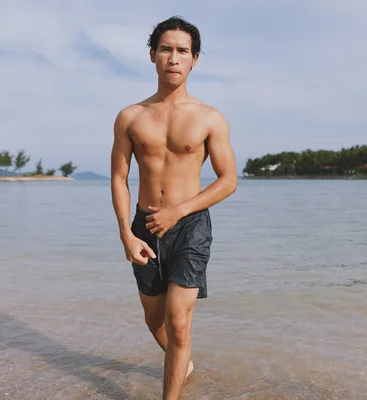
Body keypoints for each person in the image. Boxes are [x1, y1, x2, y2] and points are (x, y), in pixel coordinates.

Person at [110, 16, 237, 400]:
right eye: (166, 49)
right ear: (152, 55)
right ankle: (185, 365)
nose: (174, 58)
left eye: (183, 51)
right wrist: (126, 234)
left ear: (195, 59)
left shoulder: (209, 118)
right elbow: (119, 178)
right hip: (144, 227)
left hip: (190, 226)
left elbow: (228, 180)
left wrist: (178, 212)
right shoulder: (131, 116)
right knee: (155, 321)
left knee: (178, 323)